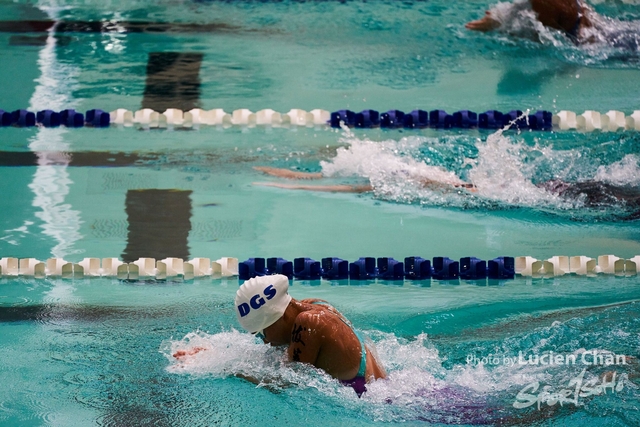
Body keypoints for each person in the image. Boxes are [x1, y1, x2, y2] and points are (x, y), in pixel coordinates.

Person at [175, 274, 387, 396]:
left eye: (262, 333)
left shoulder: (308, 323)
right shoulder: (313, 305)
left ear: (280, 317)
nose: (265, 342)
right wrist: (213, 353)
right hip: (384, 389)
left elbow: (286, 383)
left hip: (375, 404)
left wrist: (227, 369)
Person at [253, 166, 476, 193]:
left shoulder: (441, 176)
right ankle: (271, 176)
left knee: (318, 177)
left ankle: (267, 173)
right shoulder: (440, 179)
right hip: (389, 174)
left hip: (385, 170)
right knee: (320, 180)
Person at [466, 0, 591, 42]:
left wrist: (497, 23)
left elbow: (538, 41)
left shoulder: (542, 3)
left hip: (585, 51)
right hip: (592, 30)